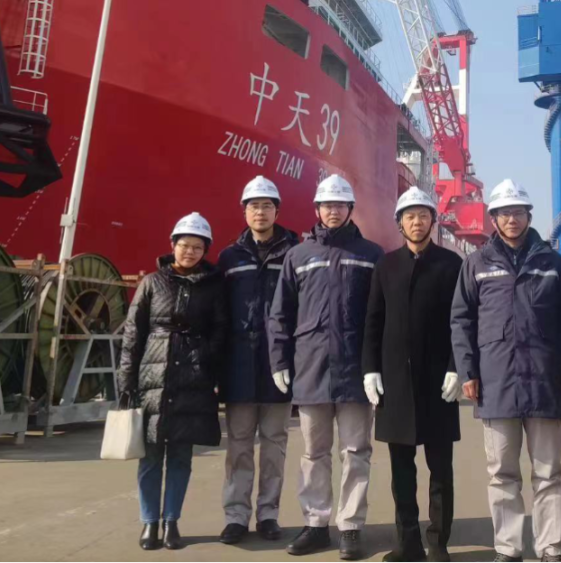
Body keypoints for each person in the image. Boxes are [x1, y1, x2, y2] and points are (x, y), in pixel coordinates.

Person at [450, 180, 561, 563]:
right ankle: (508, 549)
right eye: (504, 213)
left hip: (545, 380)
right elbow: (461, 320)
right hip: (495, 383)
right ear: (493, 219)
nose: (511, 219)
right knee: (502, 473)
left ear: (529, 216)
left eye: (518, 212)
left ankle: (551, 549)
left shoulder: (552, 263)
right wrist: (467, 372)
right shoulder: (476, 264)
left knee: (549, 472)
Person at [268, 174, 384, 560]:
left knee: (356, 451)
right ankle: (316, 524)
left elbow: (382, 316)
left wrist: (377, 366)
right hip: (311, 368)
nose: (333, 211)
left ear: (350, 209)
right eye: (327, 205)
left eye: (340, 205)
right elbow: (280, 313)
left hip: (355, 371)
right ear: (317, 209)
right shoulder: (298, 256)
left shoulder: (371, 255)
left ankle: (350, 526)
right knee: (313, 452)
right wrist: (279, 359)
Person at [362, 187, 463, 563]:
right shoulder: (386, 266)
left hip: (439, 384)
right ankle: (407, 544)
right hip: (395, 384)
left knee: (441, 471)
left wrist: (457, 366)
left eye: (423, 215)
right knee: (401, 472)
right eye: (409, 216)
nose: (417, 222)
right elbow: (373, 321)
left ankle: (438, 544)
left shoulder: (451, 264)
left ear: (433, 221)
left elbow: (461, 322)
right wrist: (370, 369)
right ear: (400, 223)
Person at [118, 212, 226, 551]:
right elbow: (133, 334)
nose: (190, 252)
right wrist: (126, 381)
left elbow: (221, 331)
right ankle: (149, 522)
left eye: (197, 247)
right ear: (172, 245)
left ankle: (171, 522)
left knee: (181, 456)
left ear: (205, 250)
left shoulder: (214, 286)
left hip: (192, 380)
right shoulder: (152, 283)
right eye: (184, 245)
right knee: (150, 456)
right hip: (153, 378)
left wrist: (206, 362)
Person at [217, 176, 300, 544]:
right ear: (245, 212)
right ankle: (236, 515)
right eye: (254, 206)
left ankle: (268, 514)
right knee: (237, 445)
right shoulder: (229, 257)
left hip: (280, 366)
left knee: (274, 445)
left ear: (277, 212)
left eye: (267, 206)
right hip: (238, 366)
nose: (260, 212)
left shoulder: (295, 253)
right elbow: (219, 315)